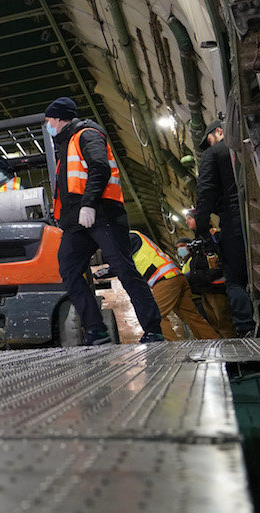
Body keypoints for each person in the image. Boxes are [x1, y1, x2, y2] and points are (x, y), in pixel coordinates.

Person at [43, 96, 165, 344]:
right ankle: (96, 331)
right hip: (76, 223)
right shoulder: (65, 146)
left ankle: (153, 330)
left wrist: (88, 204)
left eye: (48, 121)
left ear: (57, 118)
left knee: (124, 270)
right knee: (69, 270)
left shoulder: (87, 134)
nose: (48, 126)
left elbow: (100, 167)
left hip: (103, 213)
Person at [193, 120, 256, 336]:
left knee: (235, 279)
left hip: (233, 217)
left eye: (209, 139)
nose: (209, 145)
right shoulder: (250, 145)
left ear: (219, 131)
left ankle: (246, 328)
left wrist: (200, 226)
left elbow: (206, 191)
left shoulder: (214, 154)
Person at [127, 232, 219, 340]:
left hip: (164, 280)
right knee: (192, 316)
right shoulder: (136, 237)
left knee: (155, 316)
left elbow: (120, 257)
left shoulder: (129, 237)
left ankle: (171, 350)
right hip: (176, 277)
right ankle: (213, 341)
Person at [178, 236, 237, 338]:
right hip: (202, 296)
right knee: (214, 325)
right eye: (178, 247)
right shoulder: (188, 263)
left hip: (208, 294)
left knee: (222, 323)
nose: (180, 249)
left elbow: (209, 273)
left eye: (182, 246)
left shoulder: (198, 258)